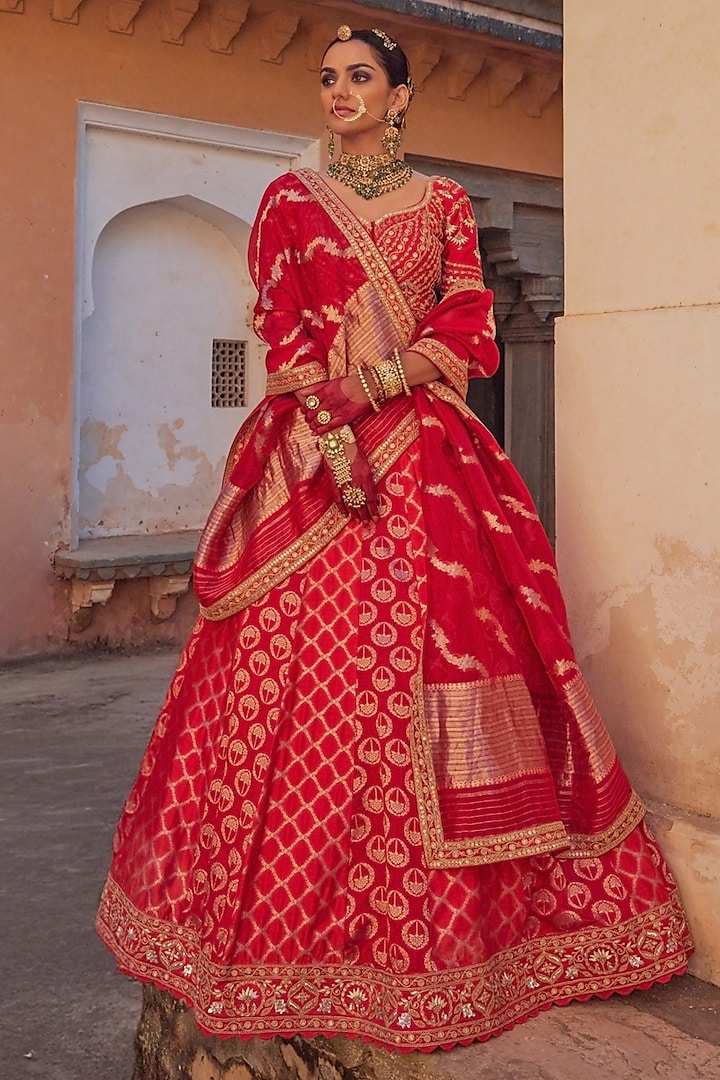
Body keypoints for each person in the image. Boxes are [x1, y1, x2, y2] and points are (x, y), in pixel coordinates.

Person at [97, 25, 692, 1053]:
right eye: (327, 78)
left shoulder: (446, 204)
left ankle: (464, 947)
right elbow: (280, 326)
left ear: (400, 97)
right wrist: (325, 427)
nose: (338, 92)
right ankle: (272, 936)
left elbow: (469, 325)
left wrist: (374, 384)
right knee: (292, 683)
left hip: (423, 454)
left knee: (438, 657)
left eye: (359, 76)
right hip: (312, 466)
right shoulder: (289, 203)